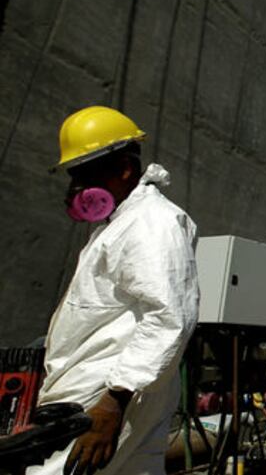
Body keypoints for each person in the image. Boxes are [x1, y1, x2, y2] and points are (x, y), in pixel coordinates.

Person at [28, 106, 199, 475]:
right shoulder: (119, 222)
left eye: (85, 176)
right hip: (107, 389)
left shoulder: (152, 223)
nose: (76, 189)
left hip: (106, 393)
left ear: (124, 169)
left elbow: (168, 317)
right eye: (73, 178)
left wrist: (112, 402)